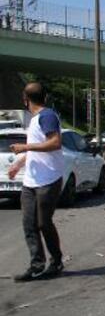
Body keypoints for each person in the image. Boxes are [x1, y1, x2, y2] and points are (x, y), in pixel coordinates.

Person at [8, 82, 66, 281]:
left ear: (25, 100)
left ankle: (56, 261)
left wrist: (24, 148)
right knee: (29, 224)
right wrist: (19, 164)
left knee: (43, 223)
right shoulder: (35, 119)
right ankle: (36, 264)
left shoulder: (47, 116)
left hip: (48, 179)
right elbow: (37, 151)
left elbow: (55, 142)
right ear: (45, 96)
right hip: (31, 181)